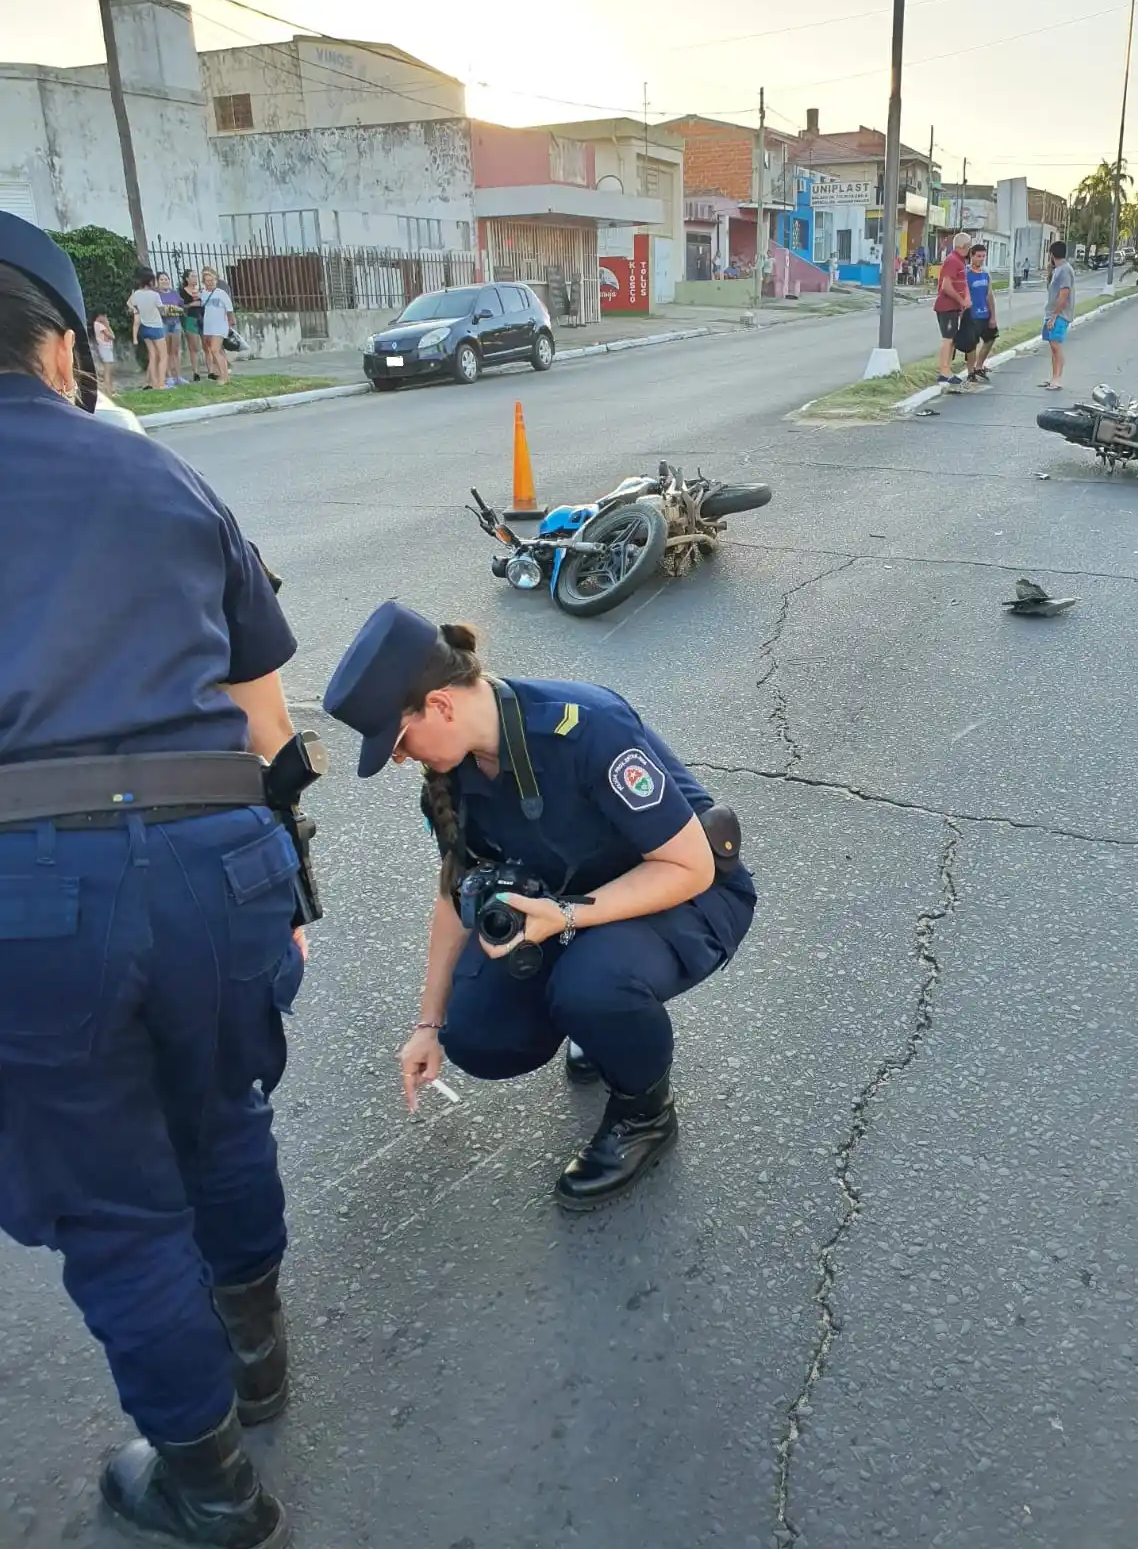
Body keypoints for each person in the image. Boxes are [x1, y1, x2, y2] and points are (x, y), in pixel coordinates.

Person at [0, 212, 306, 1548]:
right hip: (213, 861)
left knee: (116, 1202)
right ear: (64, 345)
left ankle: (213, 1487)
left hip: (35, 890)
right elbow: (270, 723)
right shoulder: (167, 479)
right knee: (223, 1112)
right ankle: (258, 1359)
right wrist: (281, 890)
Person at [323, 603, 757, 1210]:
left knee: (594, 986)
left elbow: (691, 867)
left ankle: (644, 1113)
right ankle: (599, 1020)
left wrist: (570, 917)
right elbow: (454, 893)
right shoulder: (452, 777)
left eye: (398, 743)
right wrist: (427, 1025)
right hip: (565, 904)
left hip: (685, 894)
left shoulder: (585, 729)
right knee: (475, 1033)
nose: (400, 759)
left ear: (440, 706)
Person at [934, 231, 973, 388]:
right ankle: (944, 372)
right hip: (946, 306)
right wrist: (961, 300)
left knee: (952, 339)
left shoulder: (960, 261)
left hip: (954, 307)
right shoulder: (952, 261)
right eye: (969, 246)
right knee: (948, 339)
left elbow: (962, 283)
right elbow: (946, 286)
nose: (970, 249)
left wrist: (967, 298)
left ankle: (947, 369)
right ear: (964, 246)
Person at [1039, 239, 1075, 391]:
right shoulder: (1058, 269)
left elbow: (1064, 294)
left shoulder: (1065, 270)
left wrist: (1054, 316)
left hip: (1059, 314)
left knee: (1055, 345)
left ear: (1051, 254)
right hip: (1052, 312)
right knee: (1052, 345)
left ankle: (1057, 378)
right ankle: (1053, 376)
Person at [128, 265, 167, 391]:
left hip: (144, 327)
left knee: (153, 356)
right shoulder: (155, 295)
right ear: (151, 281)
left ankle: (154, 383)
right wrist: (166, 310)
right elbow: (162, 311)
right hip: (156, 327)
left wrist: (134, 310)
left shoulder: (136, 294)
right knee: (163, 356)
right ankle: (161, 384)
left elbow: (129, 303)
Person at [965, 244, 998, 383]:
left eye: (983, 256)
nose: (981, 259)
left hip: (985, 313)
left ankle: (979, 366)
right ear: (971, 256)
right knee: (971, 344)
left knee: (991, 339)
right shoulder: (965, 273)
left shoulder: (985, 273)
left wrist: (993, 316)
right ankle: (970, 371)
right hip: (971, 315)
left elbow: (989, 295)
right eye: (978, 256)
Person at [200, 266, 235, 385]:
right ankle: (223, 374)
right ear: (204, 282)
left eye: (212, 280)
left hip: (220, 325)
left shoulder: (221, 293)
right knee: (216, 351)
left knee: (215, 350)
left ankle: (225, 377)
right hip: (209, 326)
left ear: (216, 280)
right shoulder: (204, 294)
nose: (210, 283)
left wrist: (230, 323)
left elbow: (230, 310)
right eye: (207, 281)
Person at [156, 270, 184, 387]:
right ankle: (169, 377)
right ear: (157, 282)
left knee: (175, 351)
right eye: (161, 279)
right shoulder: (156, 294)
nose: (164, 281)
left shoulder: (174, 293)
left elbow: (181, 306)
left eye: (166, 279)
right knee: (165, 352)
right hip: (164, 324)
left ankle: (178, 376)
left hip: (176, 323)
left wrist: (175, 309)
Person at [180, 268, 205, 382]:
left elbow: (205, 302)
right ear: (187, 279)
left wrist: (200, 301)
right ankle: (196, 372)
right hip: (190, 318)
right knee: (193, 347)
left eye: (196, 276)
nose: (195, 278)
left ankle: (211, 370)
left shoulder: (200, 290)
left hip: (202, 318)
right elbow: (181, 306)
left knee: (207, 345)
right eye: (192, 276)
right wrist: (191, 304)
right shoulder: (182, 291)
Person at [92, 309, 115, 396]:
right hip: (105, 349)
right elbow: (112, 336)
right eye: (104, 316)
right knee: (107, 371)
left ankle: (110, 390)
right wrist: (108, 325)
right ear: (100, 316)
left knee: (109, 370)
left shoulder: (96, 325)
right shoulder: (99, 325)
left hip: (105, 348)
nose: (106, 318)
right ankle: (108, 391)